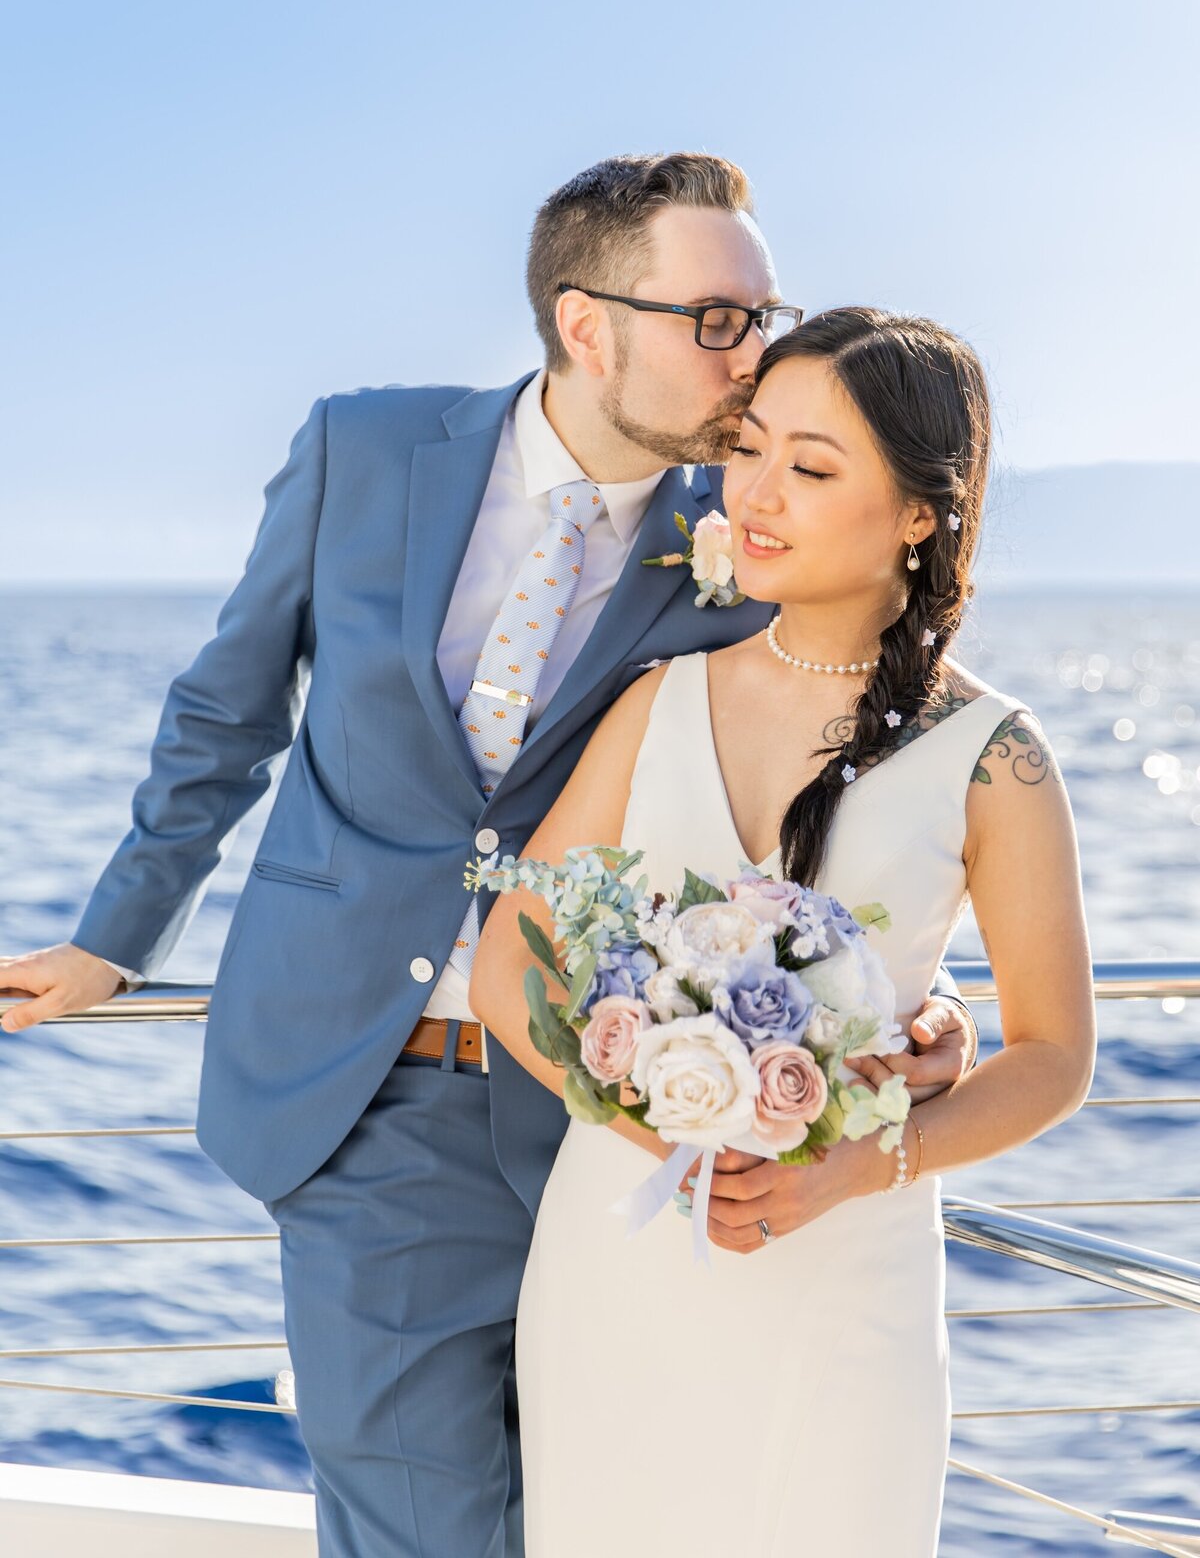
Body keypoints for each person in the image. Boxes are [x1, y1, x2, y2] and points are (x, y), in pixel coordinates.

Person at [0, 160, 980, 1557]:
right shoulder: (363, 452)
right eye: (716, 316)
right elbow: (228, 711)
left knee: (597, 1515)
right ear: (590, 329)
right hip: (368, 1090)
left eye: (767, 312)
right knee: (429, 1522)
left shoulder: (754, 527)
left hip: (615, 1118)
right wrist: (115, 941)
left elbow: (841, 760)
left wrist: (905, 1001)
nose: (754, 353)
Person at [468, 307, 1096, 1557]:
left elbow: (1053, 1058)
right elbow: (507, 968)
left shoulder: (995, 756)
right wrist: (662, 1114)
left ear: (921, 513)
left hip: (842, 1280)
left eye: (810, 469)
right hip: (620, 1265)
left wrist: (859, 1163)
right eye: (747, 450)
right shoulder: (657, 699)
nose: (753, 494)